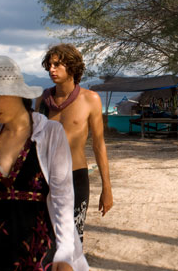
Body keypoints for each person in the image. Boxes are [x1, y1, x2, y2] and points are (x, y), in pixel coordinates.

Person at [0, 55, 88, 271]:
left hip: (38, 247)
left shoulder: (49, 133)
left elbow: (62, 196)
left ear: (17, 92)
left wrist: (65, 253)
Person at [36, 43, 113, 242]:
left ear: (72, 67)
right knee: (42, 241)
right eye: (50, 65)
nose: (51, 69)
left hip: (76, 177)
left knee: (72, 242)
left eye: (57, 64)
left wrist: (107, 188)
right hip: (44, 177)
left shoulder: (90, 99)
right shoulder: (41, 101)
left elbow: (98, 144)